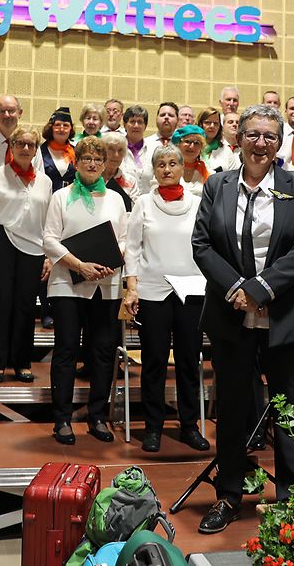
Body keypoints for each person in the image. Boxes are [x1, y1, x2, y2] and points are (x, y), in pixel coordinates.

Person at [191, 104, 294, 534]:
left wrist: (261, 289)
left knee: (289, 411)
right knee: (232, 409)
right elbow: (202, 244)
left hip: (285, 313)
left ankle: (292, 501)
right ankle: (228, 495)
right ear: (238, 138)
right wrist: (237, 290)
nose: (260, 143)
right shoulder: (217, 185)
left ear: (279, 142)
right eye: (253, 134)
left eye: (269, 136)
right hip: (231, 313)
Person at [122, 144, 208, 453]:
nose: (167, 169)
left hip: (191, 291)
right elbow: (133, 248)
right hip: (152, 291)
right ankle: (153, 427)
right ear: (154, 170)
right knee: (154, 361)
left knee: (188, 361)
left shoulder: (198, 203)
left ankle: (189, 426)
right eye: (161, 165)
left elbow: (206, 246)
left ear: (183, 168)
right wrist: (132, 288)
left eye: (173, 163)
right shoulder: (143, 203)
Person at [42, 136, 128, 445]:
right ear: (76, 163)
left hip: (106, 284)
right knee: (66, 350)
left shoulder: (116, 199)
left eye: (98, 159)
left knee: (103, 351)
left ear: (105, 165)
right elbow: (49, 239)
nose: (92, 163)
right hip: (67, 283)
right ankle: (62, 418)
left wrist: (110, 262)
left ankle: (97, 415)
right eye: (86, 158)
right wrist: (80, 265)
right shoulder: (61, 197)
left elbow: (124, 240)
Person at [0, 126, 53, 383]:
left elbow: (47, 220)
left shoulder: (45, 181)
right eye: (20, 143)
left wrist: (48, 255)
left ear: (36, 150)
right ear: (11, 147)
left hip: (34, 246)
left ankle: (22, 362)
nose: (25, 148)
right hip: (1, 241)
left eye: (30, 145)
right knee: (0, 303)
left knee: (25, 306)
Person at [40, 106, 78, 191]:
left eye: (66, 125)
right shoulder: (40, 152)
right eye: (57, 125)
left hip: (71, 197)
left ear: (71, 129)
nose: (61, 129)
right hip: (47, 197)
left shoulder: (76, 152)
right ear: (51, 128)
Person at [101, 133, 138, 211]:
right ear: (102, 152)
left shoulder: (130, 181)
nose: (116, 155)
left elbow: (134, 210)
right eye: (111, 149)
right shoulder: (91, 178)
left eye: (120, 150)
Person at [174, 124, 211, 196]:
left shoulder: (209, 173)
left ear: (201, 148)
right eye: (187, 141)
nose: (191, 146)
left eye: (197, 143)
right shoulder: (168, 169)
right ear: (178, 144)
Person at [197, 107, 236, 173]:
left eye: (216, 123)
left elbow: (233, 176)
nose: (212, 126)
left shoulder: (226, 150)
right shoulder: (193, 147)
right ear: (200, 125)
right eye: (208, 122)